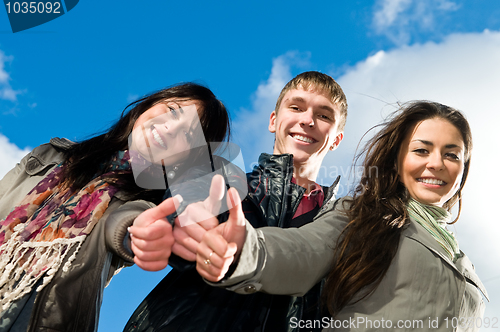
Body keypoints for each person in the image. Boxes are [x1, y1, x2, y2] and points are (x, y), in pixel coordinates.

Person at [195, 101, 488, 331]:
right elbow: (303, 250)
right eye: (421, 150)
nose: (436, 163)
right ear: (397, 162)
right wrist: (242, 250)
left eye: (452, 155)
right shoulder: (364, 214)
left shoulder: (463, 262)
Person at [123, 71, 347, 331]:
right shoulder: (221, 177)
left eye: (323, 115)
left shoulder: (343, 221)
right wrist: (183, 222)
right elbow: (186, 201)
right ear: (273, 121)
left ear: (337, 141)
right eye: (296, 107)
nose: (307, 120)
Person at [0, 82, 230, 332]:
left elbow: (129, 223)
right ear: (149, 105)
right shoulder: (51, 155)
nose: (170, 128)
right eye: (173, 110)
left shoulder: (151, 200)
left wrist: (143, 231)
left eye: (188, 135)